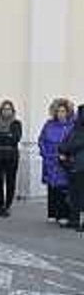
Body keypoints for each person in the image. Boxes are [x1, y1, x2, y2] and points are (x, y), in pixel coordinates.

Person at [38, 98, 75, 226]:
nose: (61, 114)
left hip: (63, 161)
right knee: (51, 187)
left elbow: (73, 143)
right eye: (58, 111)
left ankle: (63, 214)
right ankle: (52, 213)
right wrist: (45, 154)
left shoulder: (72, 126)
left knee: (63, 188)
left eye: (63, 111)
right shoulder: (49, 124)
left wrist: (67, 156)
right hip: (50, 160)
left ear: (68, 112)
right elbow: (41, 140)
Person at [59, 104, 84, 233]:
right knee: (74, 195)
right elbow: (64, 143)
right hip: (73, 165)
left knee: (80, 196)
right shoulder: (75, 128)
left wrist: (66, 149)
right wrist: (64, 150)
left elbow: (74, 144)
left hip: (80, 165)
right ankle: (74, 220)